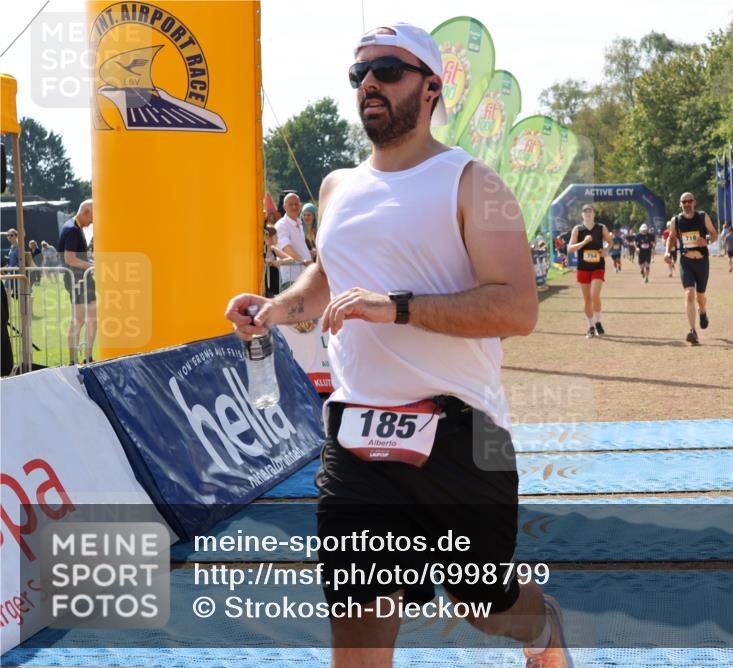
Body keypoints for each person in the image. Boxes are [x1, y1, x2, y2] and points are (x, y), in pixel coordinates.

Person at [224, 22, 571, 668]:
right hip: (357, 437)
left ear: (432, 87)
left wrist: (398, 307)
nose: (370, 85)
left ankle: (543, 629)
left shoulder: (474, 183)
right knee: (357, 630)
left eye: (387, 70)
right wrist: (277, 309)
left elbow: (518, 308)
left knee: (486, 605)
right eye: (359, 74)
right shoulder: (336, 187)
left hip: (465, 434)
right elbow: (329, 275)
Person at [667, 192, 718, 345]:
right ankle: (693, 331)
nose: (687, 204)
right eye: (684, 202)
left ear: (694, 202)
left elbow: (714, 234)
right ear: (680, 204)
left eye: (689, 201)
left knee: (700, 297)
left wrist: (706, 241)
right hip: (686, 262)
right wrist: (667, 252)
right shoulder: (676, 221)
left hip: (702, 262)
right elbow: (671, 237)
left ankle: (703, 311)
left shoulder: (702, 216)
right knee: (689, 294)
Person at [57, 199, 96, 364]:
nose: (92, 222)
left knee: (91, 319)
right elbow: (70, 259)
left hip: (82, 279)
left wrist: (90, 263)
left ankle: (87, 358)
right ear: (86, 212)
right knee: (78, 321)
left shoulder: (73, 227)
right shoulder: (73, 229)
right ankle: (73, 361)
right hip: (77, 280)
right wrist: (92, 266)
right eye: (92, 218)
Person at [569, 203, 613, 337]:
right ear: (582, 214)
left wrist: (606, 250)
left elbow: (610, 242)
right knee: (587, 299)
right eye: (585, 211)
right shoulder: (577, 229)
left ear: (594, 214)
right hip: (583, 267)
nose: (588, 213)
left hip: (598, 266)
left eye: (590, 211)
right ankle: (591, 326)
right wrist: (583, 242)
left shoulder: (601, 228)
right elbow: (570, 248)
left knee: (594, 295)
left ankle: (598, 321)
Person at [274, 192, 313, 289]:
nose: (294, 207)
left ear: (300, 206)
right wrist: (304, 260)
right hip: (292, 278)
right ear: (284, 207)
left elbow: (299, 248)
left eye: (296, 204)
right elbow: (286, 248)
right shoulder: (281, 225)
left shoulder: (299, 224)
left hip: (304, 277)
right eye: (290, 204)